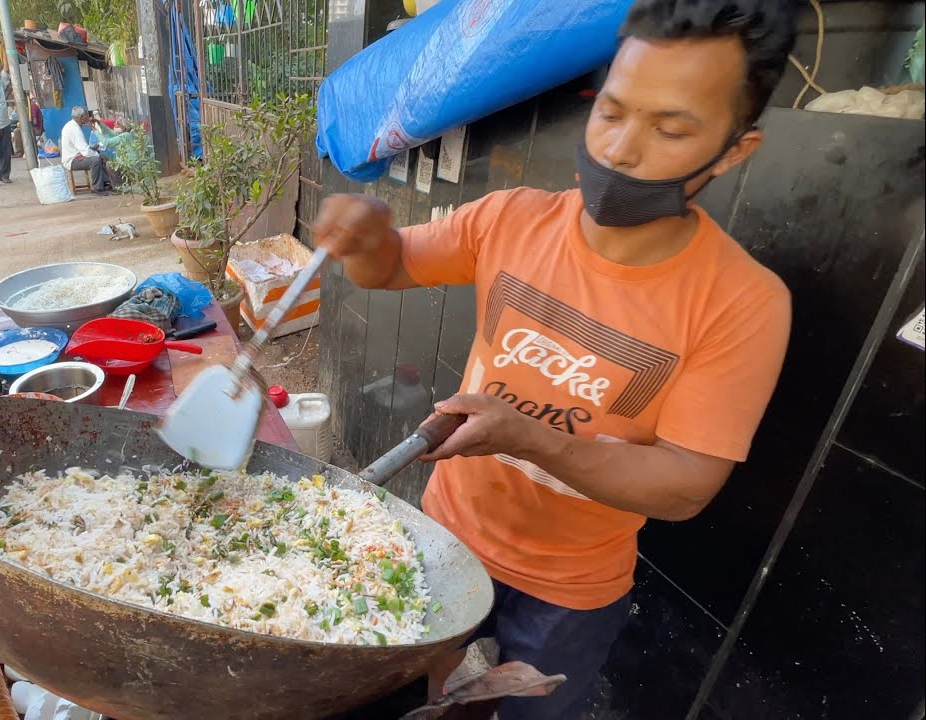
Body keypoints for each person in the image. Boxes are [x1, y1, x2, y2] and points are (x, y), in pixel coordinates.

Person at [314, 1, 795, 718]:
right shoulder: (513, 218)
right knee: (394, 697)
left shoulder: (744, 301)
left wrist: (530, 436)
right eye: (611, 112)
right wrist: (366, 236)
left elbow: (687, 485)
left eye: (670, 128)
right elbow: (390, 270)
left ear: (734, 150)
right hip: (444, 538)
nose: (620, 150)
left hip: (570, 591)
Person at [60, 106, 120, 195]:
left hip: (76, 154)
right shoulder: (74, 129)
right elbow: (85, 151)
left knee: (99, 154)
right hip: (72, 160)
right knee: (96, 160)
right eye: (86, 116)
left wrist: (94, 149)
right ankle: (97, 188)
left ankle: (106, 182)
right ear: (81, 118)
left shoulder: (72, 125)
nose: (88, 118)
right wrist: (96, 153)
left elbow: (82, 148)